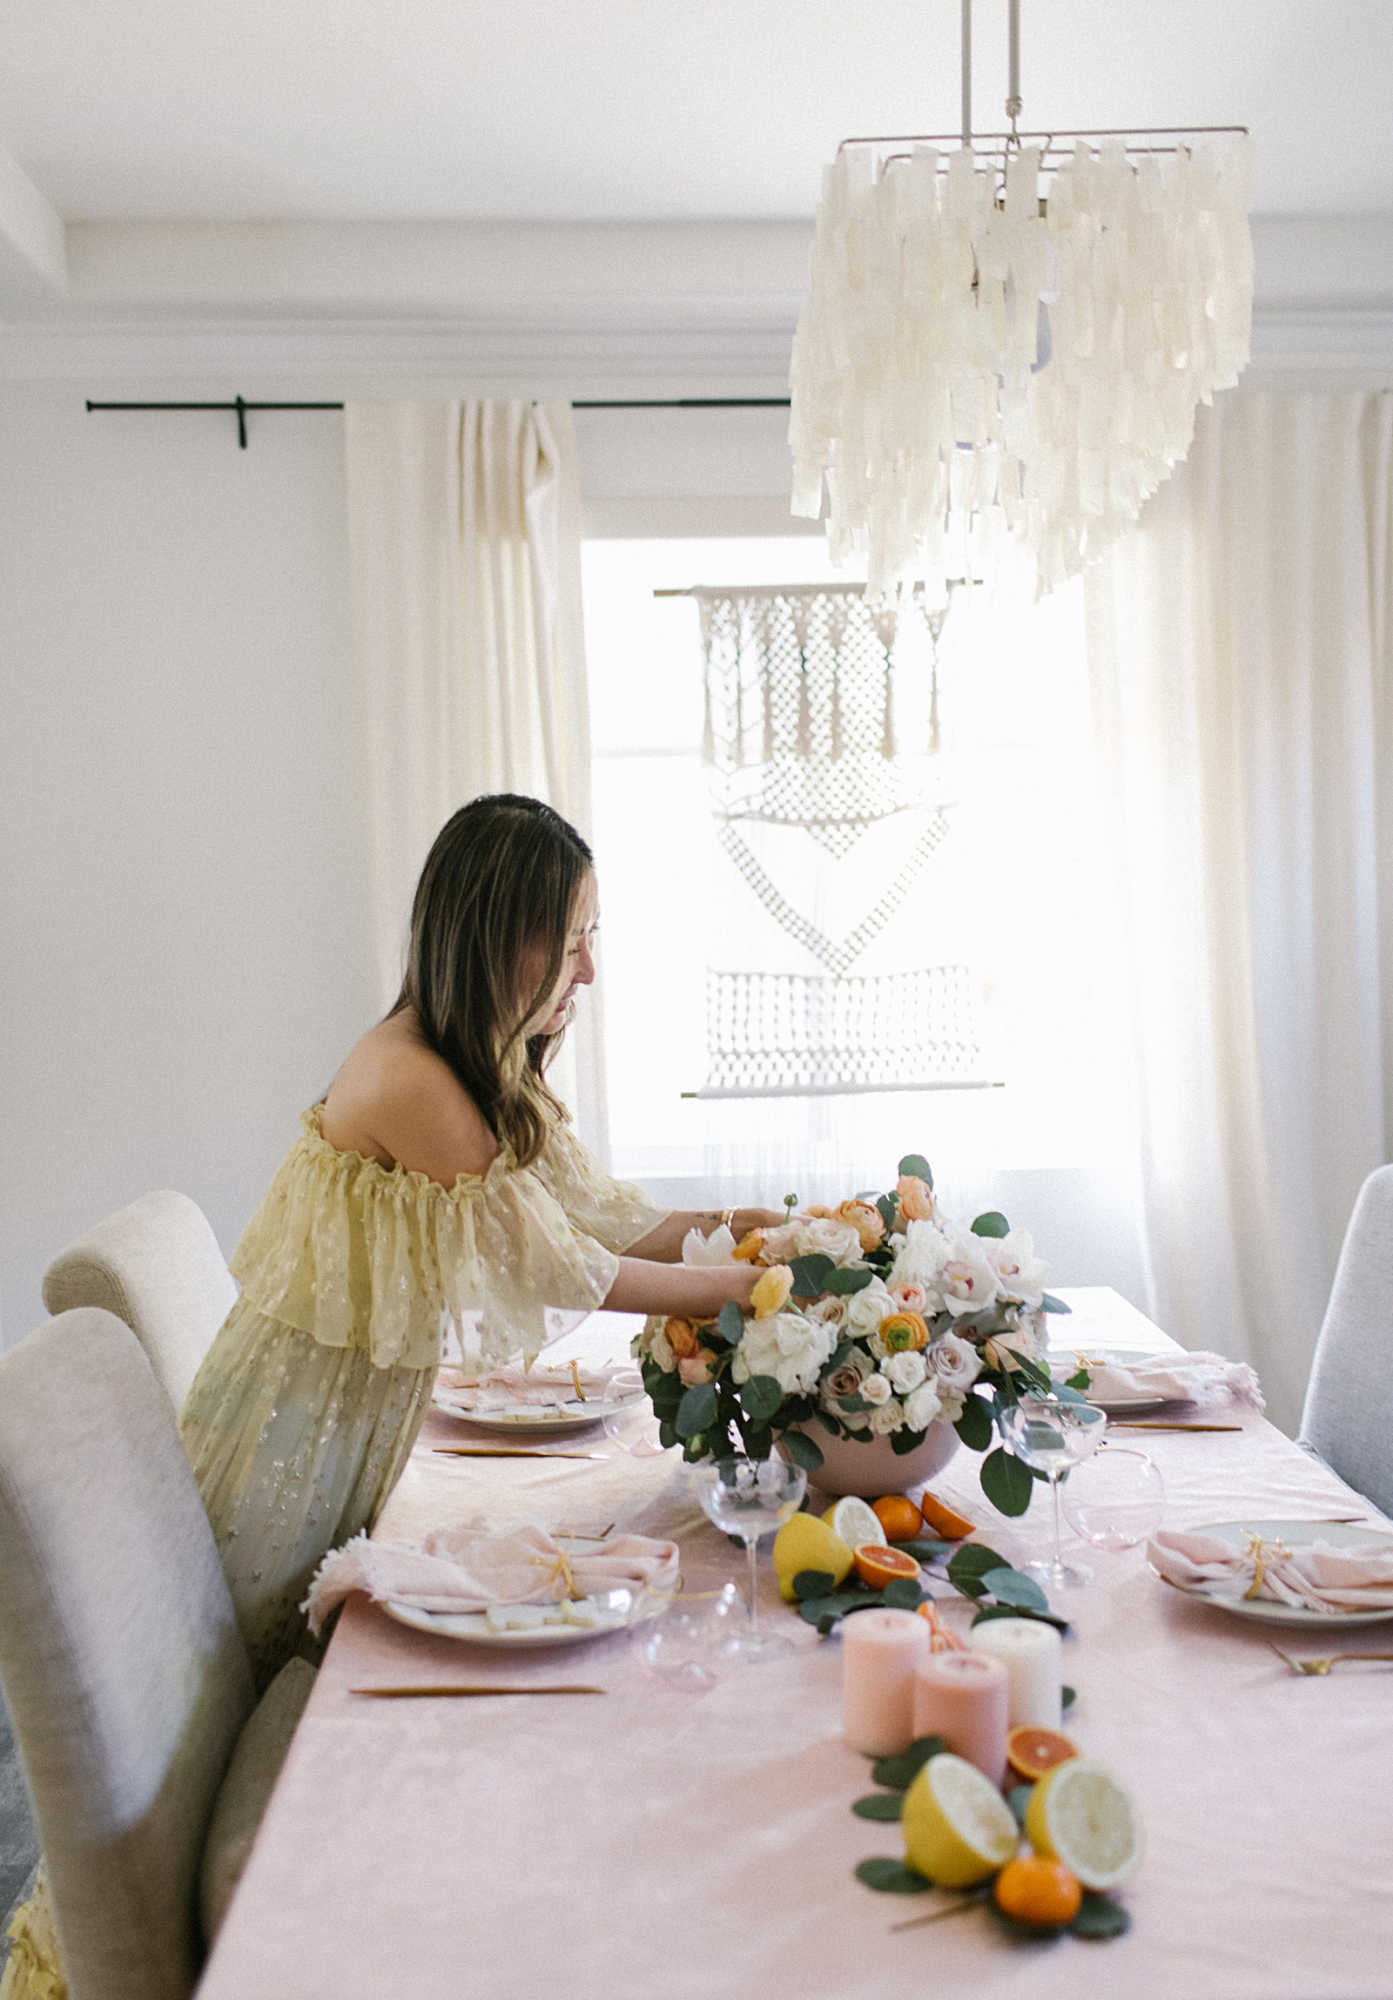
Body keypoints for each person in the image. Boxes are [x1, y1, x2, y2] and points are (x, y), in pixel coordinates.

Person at [178, 793, 785, 1689]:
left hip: (345, 1423)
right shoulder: (412, 1079)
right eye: (572, 939)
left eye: (591, 937)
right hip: (295, 1437)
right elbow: (560, 1266)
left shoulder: (479, 1057)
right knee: (289, 1676)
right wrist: (754, 1294)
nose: (587, 971)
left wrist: (751, 1229)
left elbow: (604, 1218)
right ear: (499, 937)